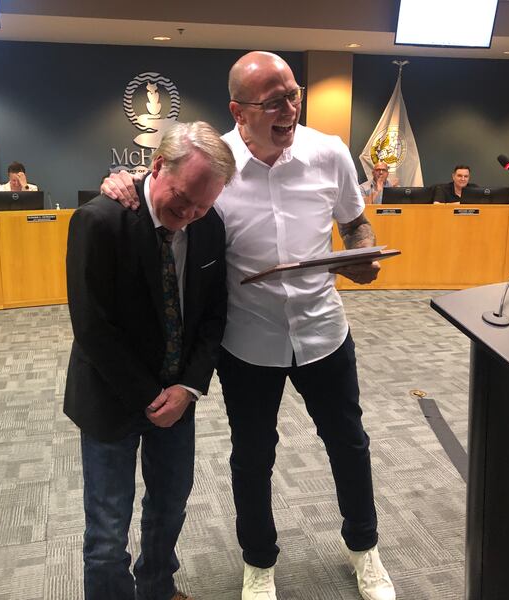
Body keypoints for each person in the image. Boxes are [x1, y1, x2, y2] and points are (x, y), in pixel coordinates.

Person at [101, 51, 395, 600]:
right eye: (274, 102)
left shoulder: (329, 153)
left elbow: (356, 224)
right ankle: (259, 562)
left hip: (323, 331)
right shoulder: (215, 164)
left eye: (294, 95)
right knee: (253, 457)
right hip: (248, 341)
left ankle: (364, 547)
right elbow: (159, 185)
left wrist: (362, 253)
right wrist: (119, 181)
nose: (290, 109)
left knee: (349, 442)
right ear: (238, 111)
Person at [64, 121, 235, 600]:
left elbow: (213, 315)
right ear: (157, 166)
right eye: (183, 199)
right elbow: (92, 327)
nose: (190, 214)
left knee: (169, 508)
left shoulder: (208, 226)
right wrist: (150, 396)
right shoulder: (100, 221)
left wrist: (189, 388)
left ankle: (158, 589)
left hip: (178, 400)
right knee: (107, 531)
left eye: (203, 205)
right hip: (112, 397)